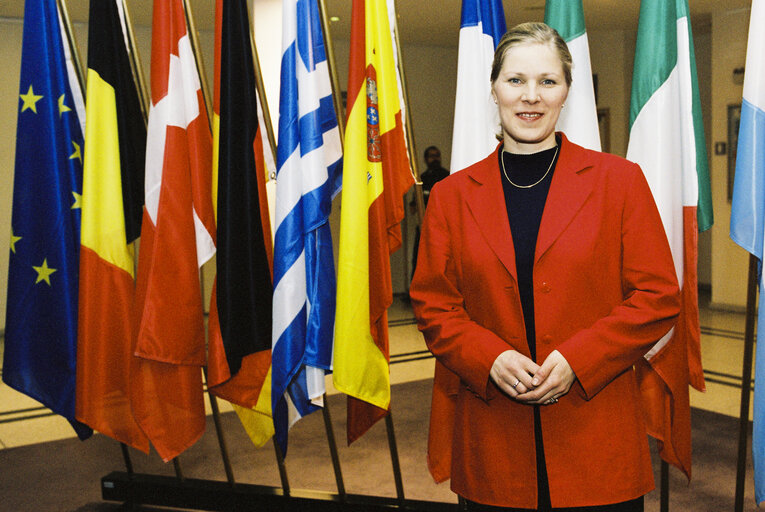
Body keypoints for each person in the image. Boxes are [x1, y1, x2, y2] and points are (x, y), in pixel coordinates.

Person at [410, 22, 680, 512]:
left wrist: (580, 358)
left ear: (567, 91)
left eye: (547, 81)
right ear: (493, 89)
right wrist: (487, 356)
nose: (530, 97)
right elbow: (432, 305)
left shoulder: (618, 181)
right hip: (493, 442)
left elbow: (658, 297)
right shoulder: (450, 196)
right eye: (515, 80)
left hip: (596, 438)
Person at [411, 146, 450, 277]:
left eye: (437, 155)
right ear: (425, 159)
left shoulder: (448, 176)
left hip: (444, 228)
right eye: (431, 156)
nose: (435, 159)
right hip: (424, 228)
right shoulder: (421, 179)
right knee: (418, 260)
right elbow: (413, 207)